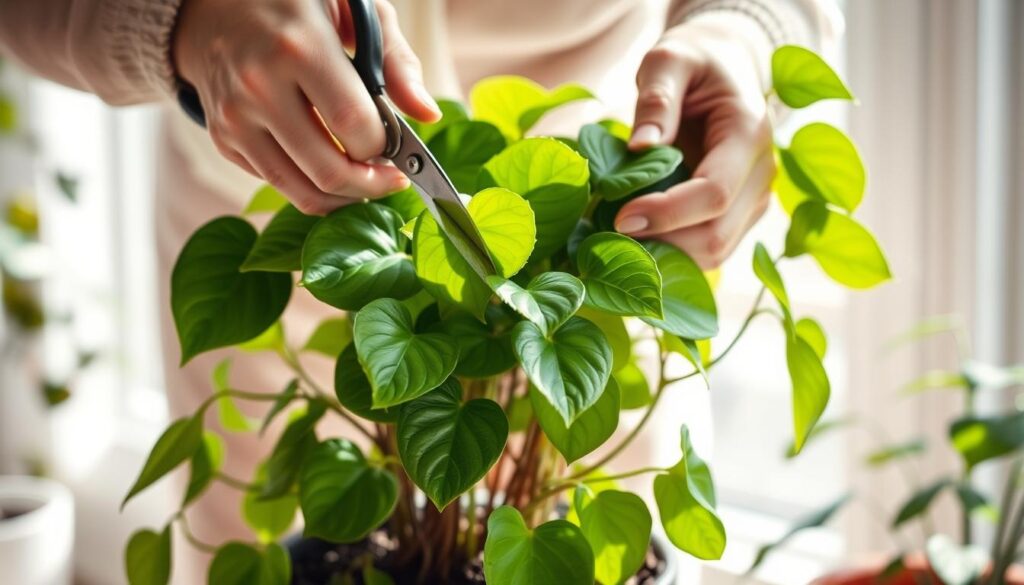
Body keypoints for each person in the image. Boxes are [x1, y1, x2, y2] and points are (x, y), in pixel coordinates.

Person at [0, 0, 840, 582]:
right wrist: (181, 17)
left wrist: (748, 33)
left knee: (585, 519)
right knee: (256, 534)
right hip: (275, 185)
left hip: (591, 235)